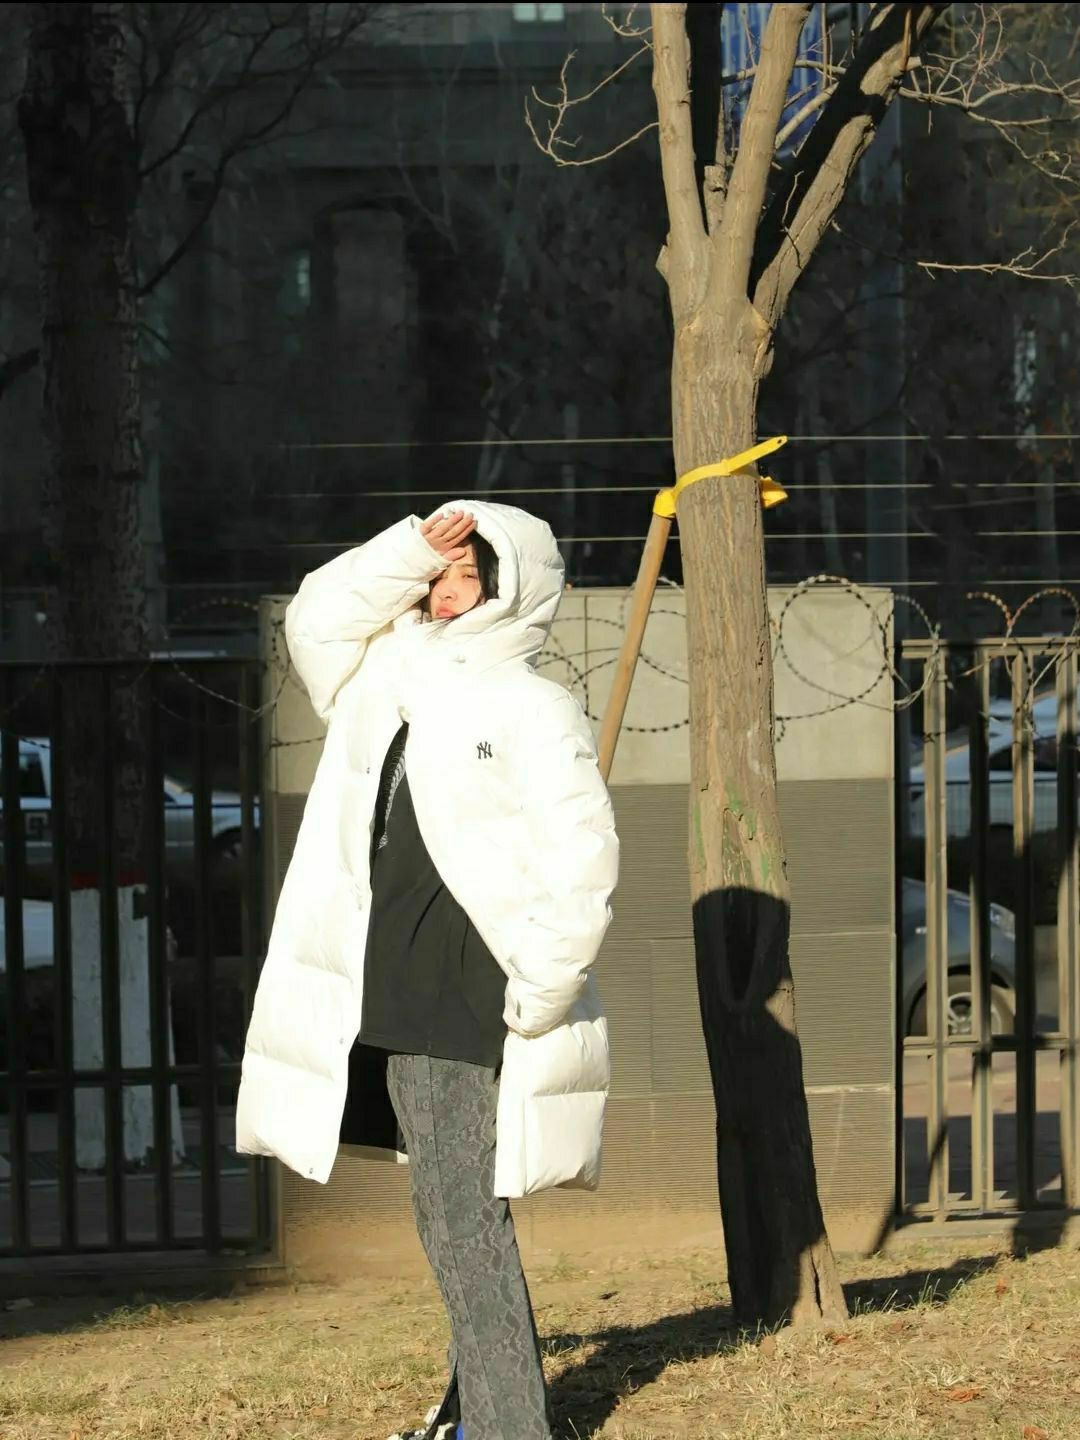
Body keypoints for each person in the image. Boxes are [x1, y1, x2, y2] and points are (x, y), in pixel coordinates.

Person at [236, 502, 619, 1440]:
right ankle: (479, 1414)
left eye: (469, 577)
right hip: (386, 986)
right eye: (439, 578)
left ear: (512, 590)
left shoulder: (531, 705)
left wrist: (541, 992)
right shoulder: (382, 676)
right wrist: (410, 548)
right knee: (451, 1220)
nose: (445, 595)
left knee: (459, 1222)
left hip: (463, 993)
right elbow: (315, 620)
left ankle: (508, 1429)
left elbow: (583, 859)